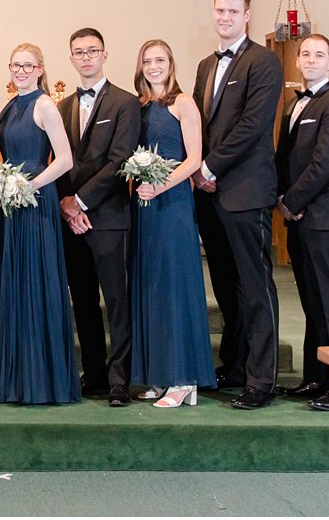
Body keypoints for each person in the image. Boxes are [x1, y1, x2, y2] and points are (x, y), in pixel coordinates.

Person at [191, 0, 284, 409]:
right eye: (219, 10)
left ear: (247, 15)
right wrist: (196, 169)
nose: (224, 17)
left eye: (233, 11)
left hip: (245, 190)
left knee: (254, 286)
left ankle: (260, 379)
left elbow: (253, 125)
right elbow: (199, 126)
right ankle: (233, 364)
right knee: (226, 287)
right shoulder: (205, 65)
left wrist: (210, 166)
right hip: (209, 194)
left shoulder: (264, 62)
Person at [56, 27, 141, 406]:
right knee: (84, 301)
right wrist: (64, 204)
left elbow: (119, 159)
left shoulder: (125, 102)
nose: (86, 57)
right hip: (71, 221)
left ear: (105, 55)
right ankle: (92, 373)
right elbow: (58, 162)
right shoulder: (61, 107)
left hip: (108, 217)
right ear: (71, 58)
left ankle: (119, 377)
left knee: (117, 301)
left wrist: (81, 202)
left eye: (93, 51)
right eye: (79, 52)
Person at [0, 43, 78, 404]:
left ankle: (42, 380)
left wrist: (28, 184)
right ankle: (15, 378)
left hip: (35, 203)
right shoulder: (10, 106)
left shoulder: (44, 105)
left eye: (28, 65)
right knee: (14, 284)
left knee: (35, 283)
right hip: (13, 204)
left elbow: (65, 160)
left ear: (41, 68)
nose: (21, 70)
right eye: (16, 65)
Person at [275, 34, 329, 412]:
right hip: (301, 219)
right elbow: (285, 157)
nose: (310, 59)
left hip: (327, 217)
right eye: (305, 53)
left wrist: (292, 201)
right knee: (312, 302)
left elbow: (325, 163)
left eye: (319, 54)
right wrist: (281, 199)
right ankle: (315, 377)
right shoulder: (295, 104)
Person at [128, 39, 211, 408]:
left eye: (160, 60)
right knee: (152, 285)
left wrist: (161, 184)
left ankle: (183, 378)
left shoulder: (183, 103)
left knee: (176, 284)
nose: (153, 66)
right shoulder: (140, 107)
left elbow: (194, 159)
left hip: (173, 202)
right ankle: (159, 375)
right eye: (147, 61)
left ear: (171, 63)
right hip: (144, 204)